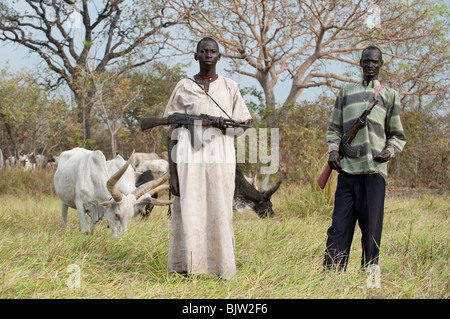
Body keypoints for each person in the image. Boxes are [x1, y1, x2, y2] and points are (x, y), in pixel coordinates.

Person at [164, 37, 252, 279]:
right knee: (188, 210)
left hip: (220, 161)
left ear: (219, 57)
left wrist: (223, 126)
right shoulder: (183, 87)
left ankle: (220, 268)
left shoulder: (230, 87)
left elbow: (244, 124)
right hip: (187, 160)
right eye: (203, 51)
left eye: (213, 51)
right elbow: (171, 131)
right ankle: (186, 266)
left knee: (220, 210)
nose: (208, 55)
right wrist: (172, 174)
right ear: (196, 56)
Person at [323, 45, 407, 271]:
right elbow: (333, 129)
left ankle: (371, 281)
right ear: (360, 63)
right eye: (366, 61)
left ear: (381, 65)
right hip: (347, 173)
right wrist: (333, 150)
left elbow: (397, 136)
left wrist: (389, 152)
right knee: (338, 228)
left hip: (373, 173)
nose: (370, 65)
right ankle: (330, 280)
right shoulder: (346, 92)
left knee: (372, 233)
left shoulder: (389, 96)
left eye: (375, 62)